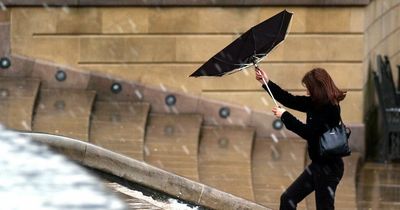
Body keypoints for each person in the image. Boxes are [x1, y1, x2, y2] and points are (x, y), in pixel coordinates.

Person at [255, 67, 346, 210]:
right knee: (288, 199)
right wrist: (266, 82)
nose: (306, 92)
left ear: (317, 88)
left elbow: (309, 133)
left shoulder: (330, 108)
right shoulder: (315, 102)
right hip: (318, 165)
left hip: (329, 168)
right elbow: (289, 99)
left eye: (308, 88)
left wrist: (285, 116)